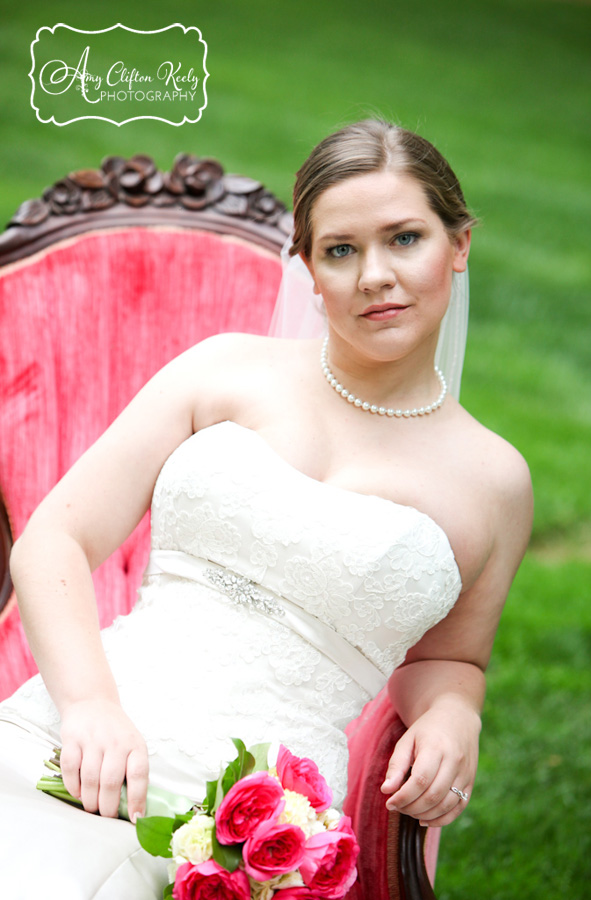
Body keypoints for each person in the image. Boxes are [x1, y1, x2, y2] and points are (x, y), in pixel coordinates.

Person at [0, 119, 533, 898]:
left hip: (254, 831)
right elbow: (56, 537)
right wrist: (89, 706)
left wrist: (457, 713)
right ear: (309, 271)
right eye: (340, 250)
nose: (375, 275)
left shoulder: (495, 482)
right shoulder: (223, 372)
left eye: (405, 239)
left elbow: (450, 660)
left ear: (459, 244)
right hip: (78, 741)